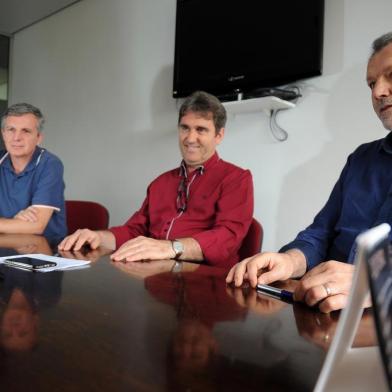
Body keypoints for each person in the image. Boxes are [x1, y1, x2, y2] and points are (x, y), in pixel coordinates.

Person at [227, 31, 392, 313]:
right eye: (371, 83)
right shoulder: (360, 159)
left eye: (390, 75)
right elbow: (321, 233)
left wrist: (375, 282)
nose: (378, 92)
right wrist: (291, 260)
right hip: (326, 317)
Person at [59, 91, 254, 268]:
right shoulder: (161, 183)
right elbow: (135, 230)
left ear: (219, 135)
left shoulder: (237, 179)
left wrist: (170, 248)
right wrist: (97, 236)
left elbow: (227, 237)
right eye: (185, 128)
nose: (190, 138)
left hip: (208, 283)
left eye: (201, 130)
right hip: (156, 279)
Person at [0, 103, 66, 239]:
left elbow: (36, 226)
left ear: (38, 137)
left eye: (26, 131)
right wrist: (16, 222)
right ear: (3, 133)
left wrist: (15, 224)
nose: (16, 137)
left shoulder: (50, 164)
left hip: (42, 251)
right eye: (11, 129)